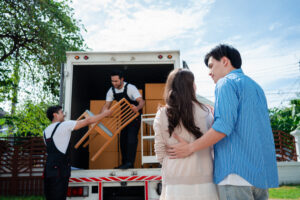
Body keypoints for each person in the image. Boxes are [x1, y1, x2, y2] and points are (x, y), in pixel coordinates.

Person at [168, 44, 279, 200]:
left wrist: (190, 148)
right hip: (261, 175)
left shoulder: (226, 83)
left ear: (225, 61)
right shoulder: (256, 87)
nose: (209, 73)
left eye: (212, 66)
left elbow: (223, 126)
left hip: (235, 174)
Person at [153, 68, 219, 200]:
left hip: (174, 181)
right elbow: (213, 143)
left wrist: (172, 162)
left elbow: (159, 151)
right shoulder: (206, 111)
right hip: (204, 179)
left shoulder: (162, 114)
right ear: (191, 86)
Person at [43, 105, 111, 200]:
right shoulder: (64, 125)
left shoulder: (45, 131)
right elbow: (88, 121)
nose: (64, 115)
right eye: (62, 112)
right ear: (55, 115)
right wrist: (104, 114)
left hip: (49, 170)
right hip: (59, 171)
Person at [101, 70, 145, 169]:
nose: (114, 83)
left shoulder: (130, 88)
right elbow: (106, 105)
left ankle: (130, 163)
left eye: (116, 81)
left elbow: (142, 101)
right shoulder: (111, 90)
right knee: (123, 139)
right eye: (112, 81)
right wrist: (101, 114)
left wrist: (137, 108)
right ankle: (124, 163)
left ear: (122, 79)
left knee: (131, 138)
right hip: (124, 116)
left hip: (134, 116)